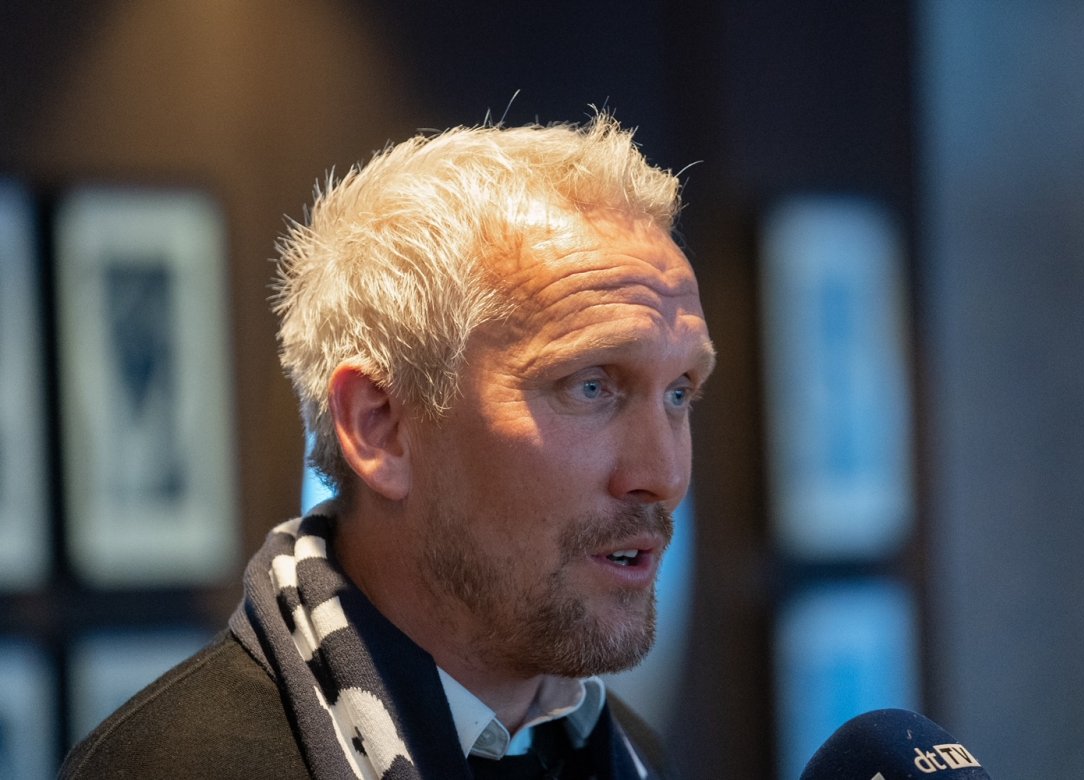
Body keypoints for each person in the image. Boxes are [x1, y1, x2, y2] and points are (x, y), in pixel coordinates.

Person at [60, 113, 716, 779]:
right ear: (380, 427)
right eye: (590, 387)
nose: (663, 475)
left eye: (679, 393)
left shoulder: (624, 753)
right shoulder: (175, 766)